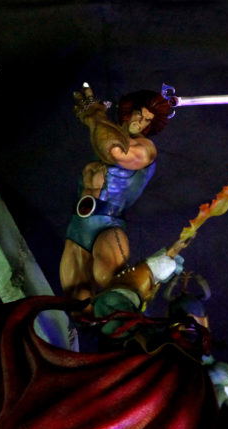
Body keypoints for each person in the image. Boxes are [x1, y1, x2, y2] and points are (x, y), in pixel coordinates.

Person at [59, 84, 186, 313]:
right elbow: (106, 143)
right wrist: (97, 118)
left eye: (147, 120)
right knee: (77, 303)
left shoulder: (146, 149)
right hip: (79, 225)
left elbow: (114, 151)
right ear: (130, 111)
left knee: (114, 292)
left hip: (108, 225)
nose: (141, 121)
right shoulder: (104, 134)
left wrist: (94, 115)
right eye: (139, 113)